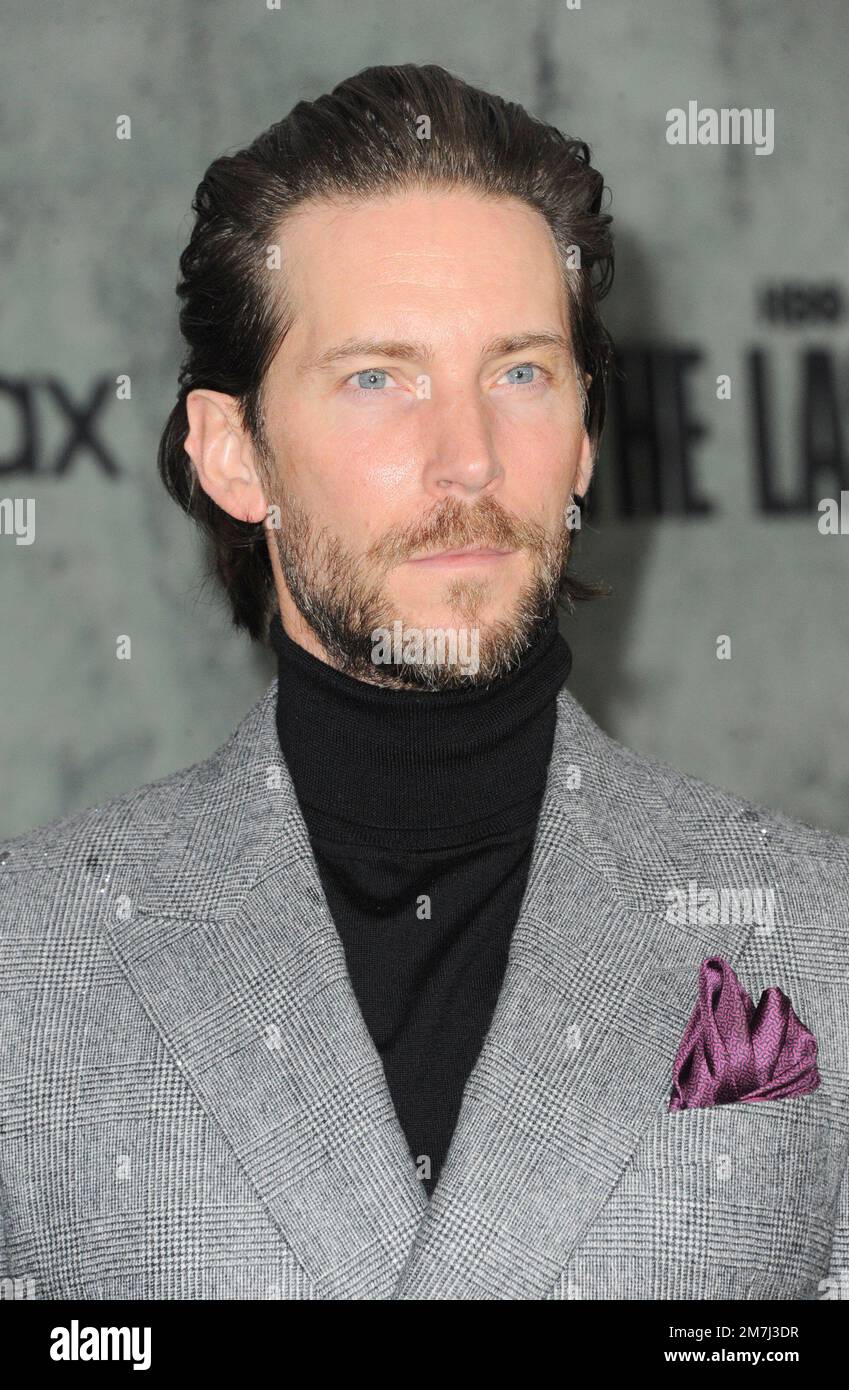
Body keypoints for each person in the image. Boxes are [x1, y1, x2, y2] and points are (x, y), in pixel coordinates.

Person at [1, 64, 847, 1302]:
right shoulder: (29, 962)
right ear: (237, 457)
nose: (469, 459)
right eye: (378, 378)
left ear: (586, 438)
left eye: (519, 373)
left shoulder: (819, 931)